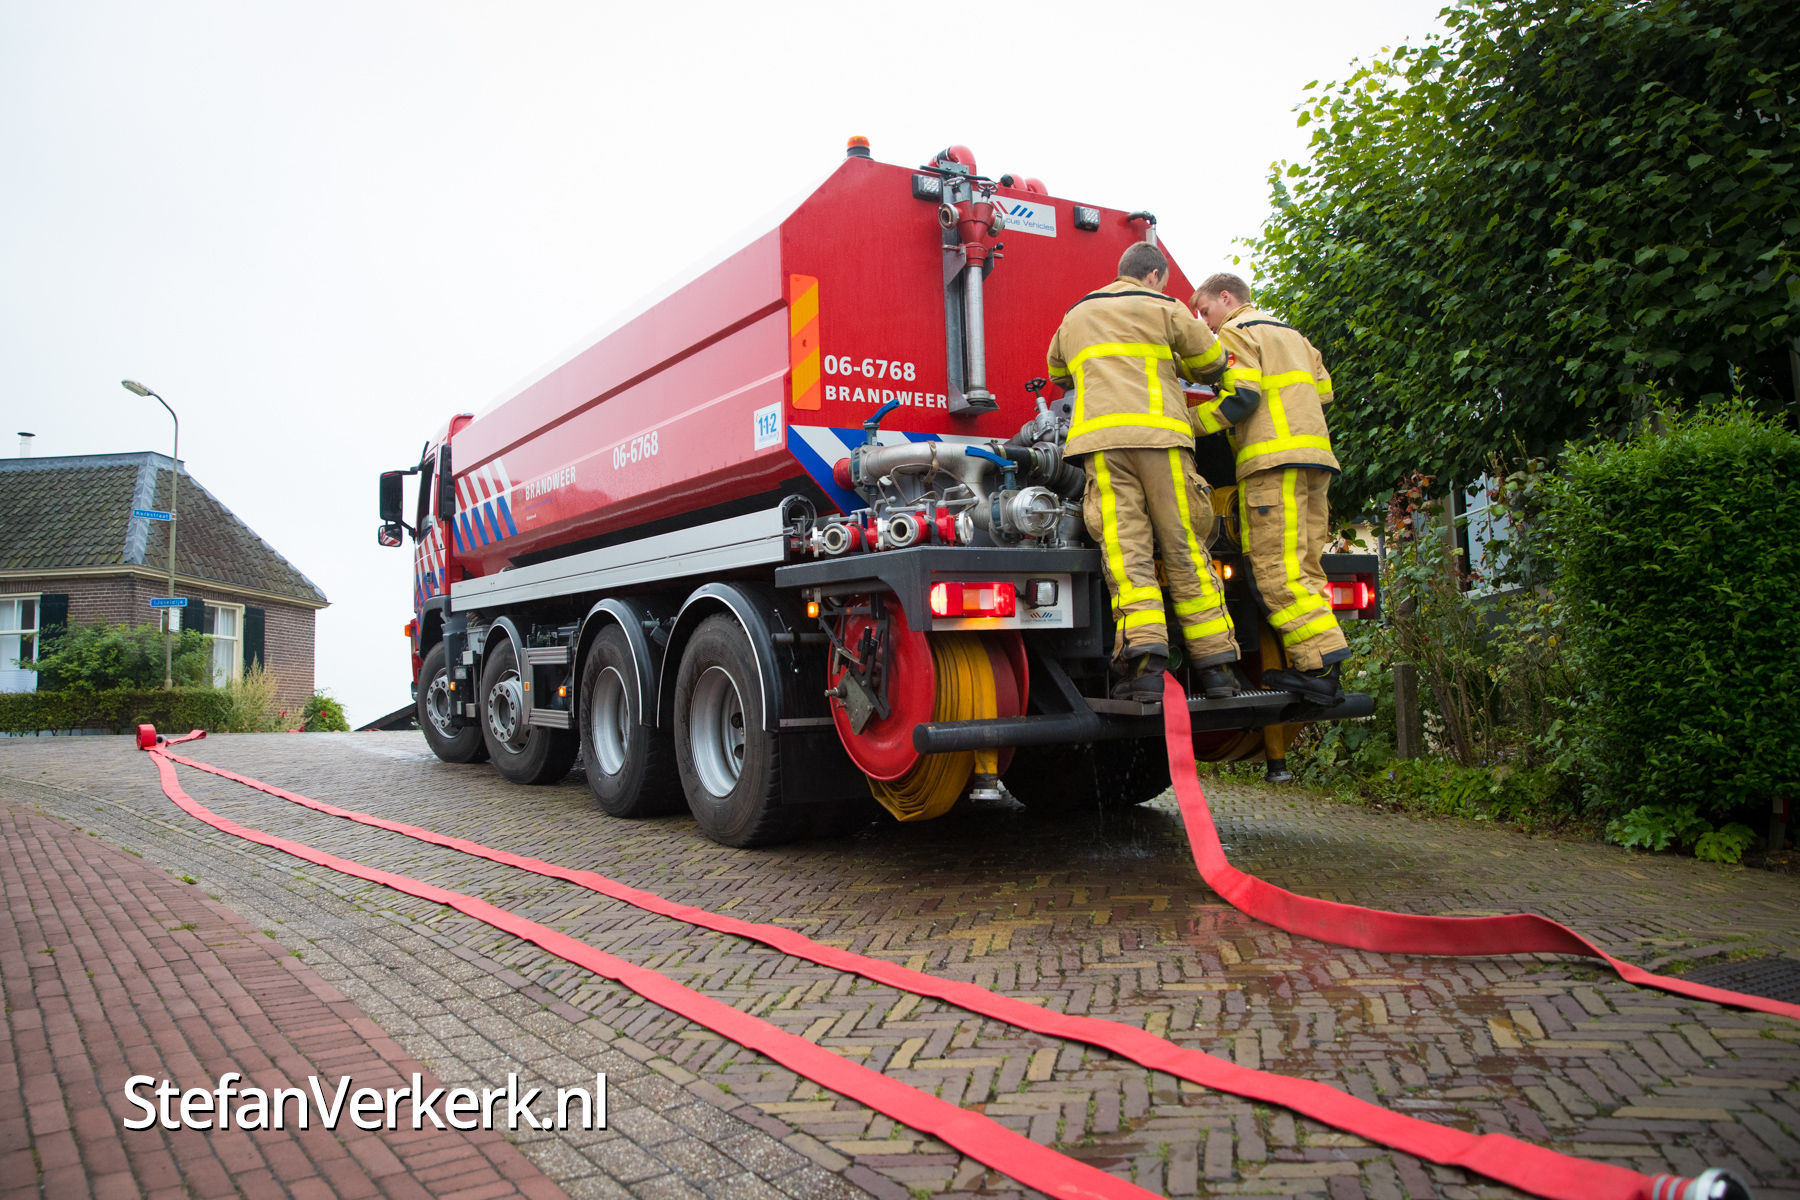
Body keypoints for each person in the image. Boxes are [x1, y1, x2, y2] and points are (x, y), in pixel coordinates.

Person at [1046, 243, 1240, 702]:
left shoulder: (1076, 316)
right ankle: (1216, 672)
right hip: (1163, 443)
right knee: (1185, 548)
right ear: (1154, 276)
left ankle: (1146, 671)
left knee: (1127, 556)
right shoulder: (1166, 307)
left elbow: (1057, 371)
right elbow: (1212, 363)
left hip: (1103, 449)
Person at [1189, 272, 1348, 701]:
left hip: (1271, 465)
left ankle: (1320, 672)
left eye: (1205, 311)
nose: (1204, 323)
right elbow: (1325, 394)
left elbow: (1243, 399)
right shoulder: (1295, 336)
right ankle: (1321, 669)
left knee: (1276, 569)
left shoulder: (1235, 332)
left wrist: (1188, 424)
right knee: (1306, 568)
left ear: (1226, 298)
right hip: (1315, 461)